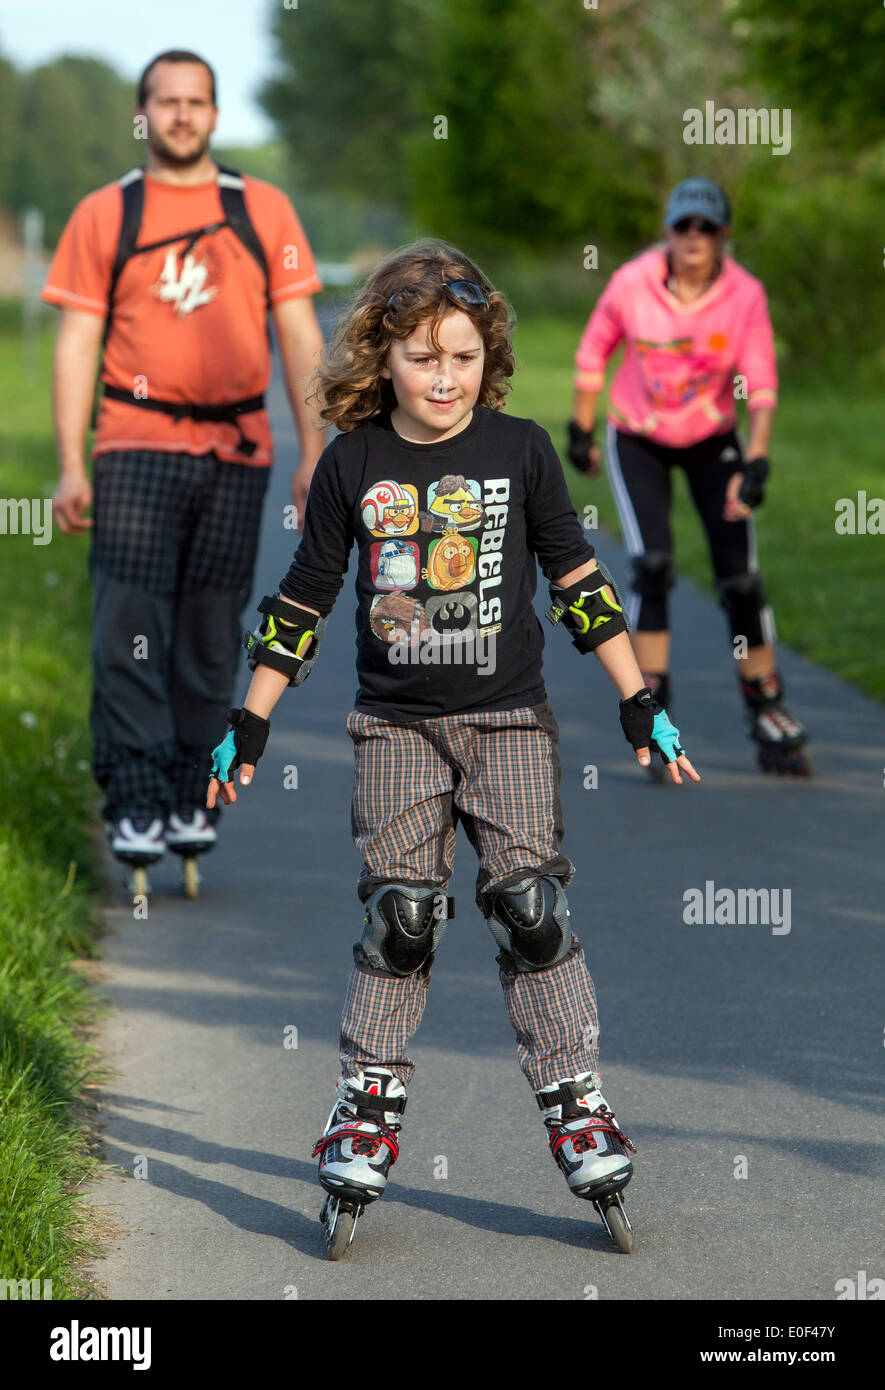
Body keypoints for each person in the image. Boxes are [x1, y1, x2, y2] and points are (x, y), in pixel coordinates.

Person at [205, 239, 700, 1250]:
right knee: (403, 917)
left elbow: (579, 583)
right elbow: (302, 599)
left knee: (531, 909)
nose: (445, 376)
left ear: (491, 358)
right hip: (395, 729)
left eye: (465, 356)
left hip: (510, 717)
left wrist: (640, 703)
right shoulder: (354, 462)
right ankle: (366, 1104)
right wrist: (249, 719)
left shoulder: (522, 452)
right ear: (382, 355)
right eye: (425, 354)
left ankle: (576, 1098)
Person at [42, 48, 327, 884]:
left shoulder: (261, 208)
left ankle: (190, 795)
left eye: (195, 101)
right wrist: (70, 463)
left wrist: (315, 453)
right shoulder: (107, 213)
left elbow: (301, 333)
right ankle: (133, 798)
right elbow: (76, 343)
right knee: (127, 628)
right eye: (164, 102)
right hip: (133, 448)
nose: (180, 115)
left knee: (208, 636)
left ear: (213, 111)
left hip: (237, 452)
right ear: (143, 114)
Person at [566, 177, 811, 777]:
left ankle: (767, 706)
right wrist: (580, 428)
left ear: (724, 234)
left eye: (707, 227)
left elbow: (760, 382)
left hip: (712, 436)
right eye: (684, 226)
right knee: (653, 568)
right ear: (668, 233)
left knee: (740, 578)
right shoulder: (632, 282)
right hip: (639, 433)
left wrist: (755, 461)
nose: (695, 237)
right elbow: (594, 352)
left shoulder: (744, 294)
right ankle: (654, 710)